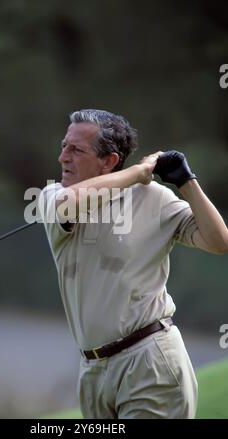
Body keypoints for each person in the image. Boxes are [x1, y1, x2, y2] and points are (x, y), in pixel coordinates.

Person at [38, 109, 228, 419]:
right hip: (92, 372)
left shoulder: (155, 199)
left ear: (109, 160)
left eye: (76, 150)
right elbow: (70, 205)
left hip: (149, 362)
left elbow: (219, 242)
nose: (63, 158)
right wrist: (137, 173)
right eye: (63, 146)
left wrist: (186, 182)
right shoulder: (52, 196)